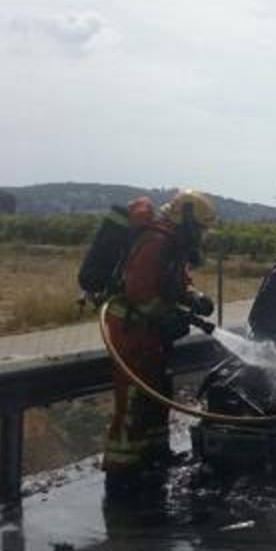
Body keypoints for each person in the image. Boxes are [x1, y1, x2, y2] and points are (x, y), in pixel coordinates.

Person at [102, 191, 216, 485]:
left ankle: (154, 455)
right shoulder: (157, 241)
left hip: (150, 332)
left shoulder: (174, 243)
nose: (203, 234)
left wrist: (194, 298)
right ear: (188, 220)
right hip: (132, 330)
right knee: (134, 401)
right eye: (201, 227)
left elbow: (177, 281)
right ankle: (121, 470)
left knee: (158, 394)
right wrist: (166, 316)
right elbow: (138, 292)